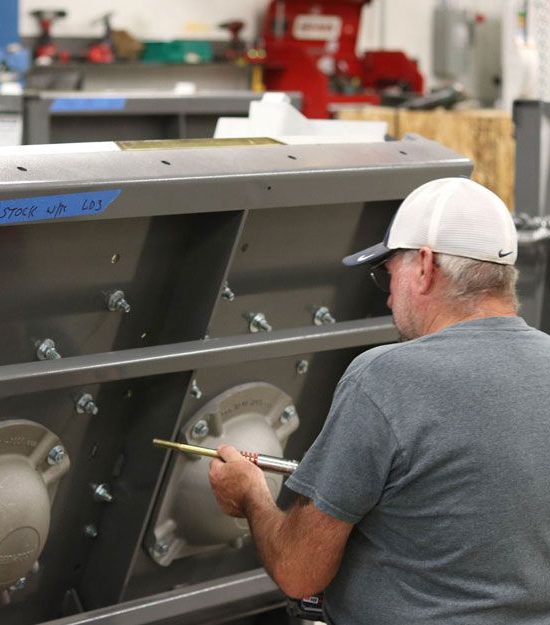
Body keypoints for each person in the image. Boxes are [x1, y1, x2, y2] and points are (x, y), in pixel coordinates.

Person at [209, 177, 550, 624]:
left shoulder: (386, 378)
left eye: (387, 274)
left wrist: (251, 494)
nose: (389, 297)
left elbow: (299, 571)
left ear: (425, 265)